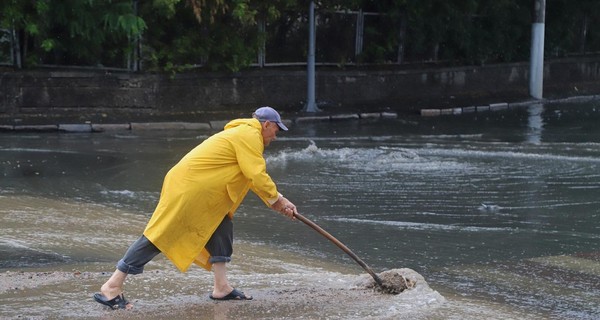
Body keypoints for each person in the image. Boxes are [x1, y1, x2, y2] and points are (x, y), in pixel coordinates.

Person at [93, 106, 298, 309]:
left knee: (221, 227)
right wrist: (276, 201)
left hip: (203, 191)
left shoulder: (244, 133)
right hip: (191, 188)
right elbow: (256, 173)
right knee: (162, 234)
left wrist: (278, 199)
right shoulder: (249, 133)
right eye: (276, 130)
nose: (275, 136)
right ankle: (112, 285)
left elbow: (250, 176)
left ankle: (222, 287)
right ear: (267, 124)